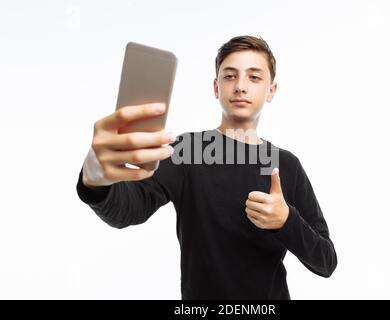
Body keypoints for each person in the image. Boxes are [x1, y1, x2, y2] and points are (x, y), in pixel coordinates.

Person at [76, 35, 337, 299]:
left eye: (254, 77)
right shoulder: (186, 151)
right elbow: (128, 210)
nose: (240, 87)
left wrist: (287, 221)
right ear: (216, 87)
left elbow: (326, 261)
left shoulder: (286, 165)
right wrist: (95, 182)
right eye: (229, 76)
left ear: (271, 91)